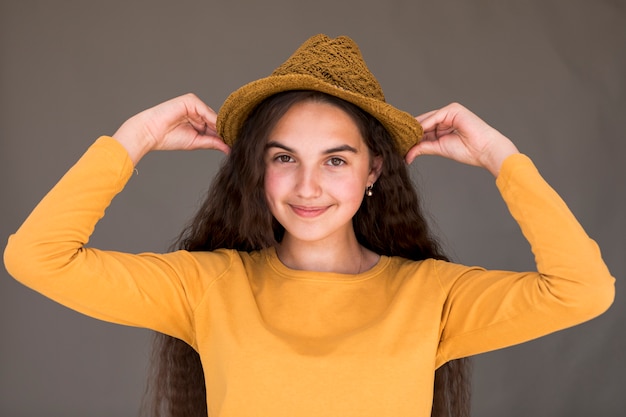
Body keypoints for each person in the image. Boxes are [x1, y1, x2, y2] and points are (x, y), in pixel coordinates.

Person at [3, 34, 614, 417]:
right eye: (283, 157)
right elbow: (38, 257)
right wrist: (130, 140)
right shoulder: (206, 287)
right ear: (258, 170)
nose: (307, 187)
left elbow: (583, 291)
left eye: (336, 160)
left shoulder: (432, 296)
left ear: (375, 169)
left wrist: (501, 158)